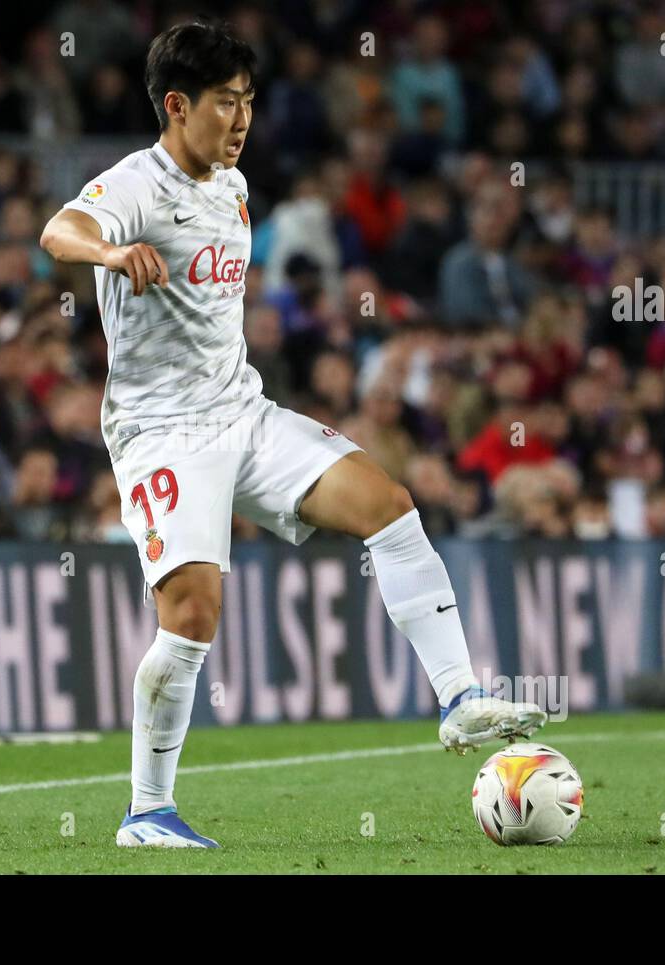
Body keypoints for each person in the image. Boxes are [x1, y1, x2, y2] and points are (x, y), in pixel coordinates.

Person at [39, 20, 546, 849]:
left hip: (242, 410)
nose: (242, 120)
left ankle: (459, 697)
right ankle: (147, 811)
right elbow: (58, 230)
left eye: (248, 101)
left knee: (388, 501)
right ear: (176, 105)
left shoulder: (233, 187)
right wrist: (109, 250)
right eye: (225, 103)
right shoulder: (136, 182)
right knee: (193, 613)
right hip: (163, 433)